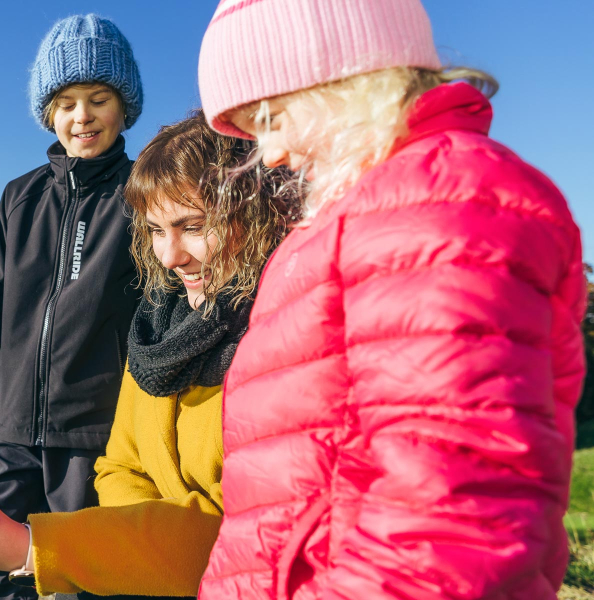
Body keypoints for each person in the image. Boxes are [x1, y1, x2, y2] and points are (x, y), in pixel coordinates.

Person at [194, 1, 585, 598]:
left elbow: (448, 521)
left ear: (343, 75)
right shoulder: (369, 215)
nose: (269, 156)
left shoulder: (438, 208)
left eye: (271, 117)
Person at [0, 113, 293, 598]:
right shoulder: (155, 332)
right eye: (157, 230)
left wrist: (31, 548)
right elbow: (119, 468)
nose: (170, 255)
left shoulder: (283, 345)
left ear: (254, 212)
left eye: (193, 227)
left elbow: (234, 537)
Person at [0, 14, 144, 600]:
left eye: (98, 98)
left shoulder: (142, 193)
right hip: (9, 428)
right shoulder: (19, 197)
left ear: (123, 106)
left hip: (93, 429)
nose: (81, 116)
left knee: (87, 572)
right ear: (47, 114)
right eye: (65, 103)